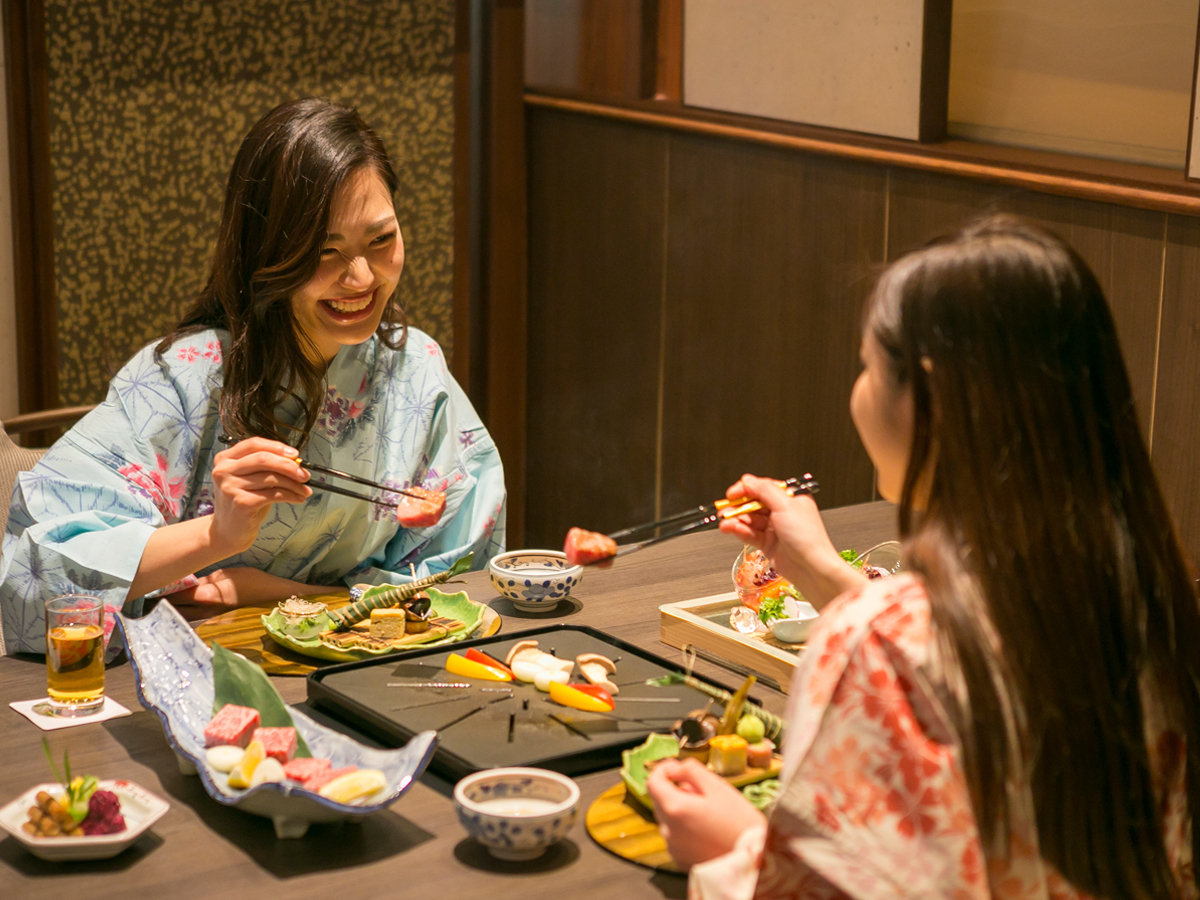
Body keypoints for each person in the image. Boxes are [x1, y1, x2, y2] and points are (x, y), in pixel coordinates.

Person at [647, 217, 1199, 900]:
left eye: (869, 366)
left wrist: (739, 850)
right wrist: (820, 570)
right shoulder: (1148, 604)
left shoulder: (880, 642)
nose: (859, 390)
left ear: (931, 401)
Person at [1, 99, 505, 654]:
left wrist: (264, 591)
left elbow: (463, 582)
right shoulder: (182, 383)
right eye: (323, 251)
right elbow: (32, 578)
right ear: (265, 253)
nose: (360, 278)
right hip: (201, 685)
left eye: (380, 241)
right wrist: (215, 536)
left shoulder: (416, 373)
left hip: (368, 680)